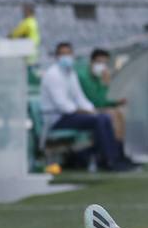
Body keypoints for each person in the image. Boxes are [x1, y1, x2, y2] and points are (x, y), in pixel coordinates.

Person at [40, 42, 135, 172]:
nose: (66, 57)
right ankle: (109, 161)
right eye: (63, 54)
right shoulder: (53, 75)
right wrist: (88, 111)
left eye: (68, 53)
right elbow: (63, 105)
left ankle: (117, 157)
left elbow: (80, 98)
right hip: (56, 118)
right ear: (56, 56)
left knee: (104, 117)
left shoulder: (70, 73)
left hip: (70, 115)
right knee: (100, 120)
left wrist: (90, 110)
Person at [78, 47, 127, 143]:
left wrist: (116, 101)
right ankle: (116, 147)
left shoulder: (100, 75)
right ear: (92, 61)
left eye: (105, 63)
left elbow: (104, 97)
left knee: (122, 111)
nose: (102, 66)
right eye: (99, 62)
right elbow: (96, 101)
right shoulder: (83, 77)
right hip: (84, 109)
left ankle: (122, 145)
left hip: (96, 107)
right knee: (113, 114)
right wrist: (106, 86)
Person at [8, 2, 40, 68]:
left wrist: (8, 37)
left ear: (28, 12)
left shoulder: (27, 22)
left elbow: (15, 34)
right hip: (34, 48)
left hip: (27, 49)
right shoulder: (34, 22)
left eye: (25, 11)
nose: (24, 13)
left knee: (27, 67)